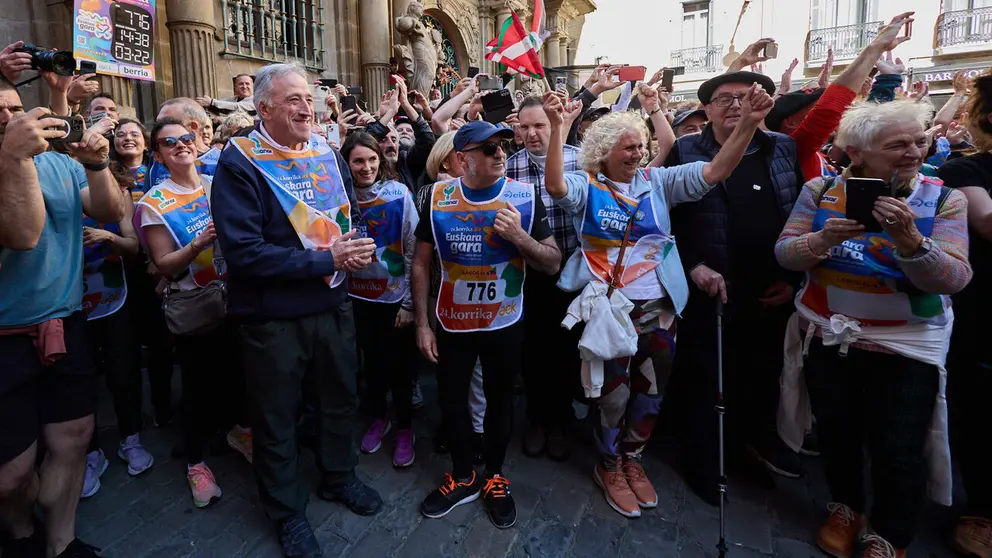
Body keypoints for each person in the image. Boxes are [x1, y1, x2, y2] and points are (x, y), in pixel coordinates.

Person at [542, 82, 774, 518]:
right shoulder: (585, 185)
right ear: (604, 152)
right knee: (613, 395)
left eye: (641, 147)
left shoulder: (659, 182)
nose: (638, 155)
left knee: (651, 392)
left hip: (661, 309)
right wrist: (558, 127)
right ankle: (609, 464)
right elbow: (554, 185)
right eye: (628, 148)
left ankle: (633, 458)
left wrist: (748, 124)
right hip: (609, 312)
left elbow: (715, 171)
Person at [775, 98, 972, 558]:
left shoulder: (946, 198)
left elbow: (955, 278)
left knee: (898, 445)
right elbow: (785, 253)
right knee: (837, 432)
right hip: (830, 334)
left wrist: (912, 242)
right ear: (857, 153)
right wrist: (821, 240)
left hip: (906, 344)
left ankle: (889, 534)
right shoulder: (821, 190)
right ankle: (846, 507)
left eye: (918, 141)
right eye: (897, 145)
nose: (913, 153)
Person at [211, 62, 381, 558]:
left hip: (332, 305)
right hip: (272, 318)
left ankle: (339, 476)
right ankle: (286, 512)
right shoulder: (239, 162)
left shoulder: (326, 153)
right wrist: (327, 260)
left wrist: (354, 247)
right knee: (276, 418)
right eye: (293, 100)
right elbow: (244, 253)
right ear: (263, 108)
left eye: (309, 98)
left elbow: (346, 216)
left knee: (340, 399)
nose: (307, 108)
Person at [665, 69, 805, 502]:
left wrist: (792, 278)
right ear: (707, 110)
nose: (736, 105)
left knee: (759, 376)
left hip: (768, 288)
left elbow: (798, 211)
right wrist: (693, 265)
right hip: (710, 288)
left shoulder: (781, 147)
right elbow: (666, 220)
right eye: (724, 98)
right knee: (707, 379)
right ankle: (704, 462)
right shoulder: (686, 149)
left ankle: (743, 450)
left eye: (746, 96)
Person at [413, 121, 561, 529]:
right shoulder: (438, 198)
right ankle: (463, 476)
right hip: (453, 322)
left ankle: (494, 476)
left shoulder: (523, 196)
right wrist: (422, 324)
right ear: (463, 159)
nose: (501, 153)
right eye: (489, 148)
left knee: (500, 401)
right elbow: (420, 261)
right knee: (451, 401)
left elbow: (552, 262)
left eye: (502, 146)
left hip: (504, 322)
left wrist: (519, 237)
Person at [0, 77, 124, 558]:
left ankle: (62, 542)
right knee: (11, 475)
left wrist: (97, 164)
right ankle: (21, 534)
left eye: (15, 108)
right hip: (6, 335)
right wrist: (14, 158)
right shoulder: (13, 160)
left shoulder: (58, 163)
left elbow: (109, 209)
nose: (9, 118)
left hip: (65, 322)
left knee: (73, 439)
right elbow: (23, 234)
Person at [135, 117, 234, 509]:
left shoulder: (216, 184)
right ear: (158, 155)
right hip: (196, 308)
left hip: (235, 300)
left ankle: (235, 432)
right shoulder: (153, 203)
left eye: (186, 138)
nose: (181, 145)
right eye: (168, 142)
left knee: (236, 374)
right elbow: (163, 265)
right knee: (196, 387)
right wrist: (198, 243)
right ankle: (195, 463)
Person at [505, 96, 583, 461]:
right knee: (534, 350)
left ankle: (561, 421)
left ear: (555, 125)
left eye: (540, 125)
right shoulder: (509, 168)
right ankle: (537, 419)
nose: (532, 133)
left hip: (574, 273)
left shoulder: (580, 160)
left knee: (567, 350)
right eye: (525, 127)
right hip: (530, 276)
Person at [340, 132, 419, 468]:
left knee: (400, 369)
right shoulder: (339, 198)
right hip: (357, 298)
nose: (367, 167)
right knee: (371, 366)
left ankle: (405, 428)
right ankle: (378, 418)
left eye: (372, 159)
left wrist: (410, 303)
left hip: (394, 298)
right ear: (346, 163)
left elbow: (414, 249)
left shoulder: (398, 193)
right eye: (358, 161)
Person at [939, 67, 992, 554]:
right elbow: (987, 223)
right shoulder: (964, 171)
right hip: (981, 312)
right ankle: (980, 509)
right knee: (979, 410)